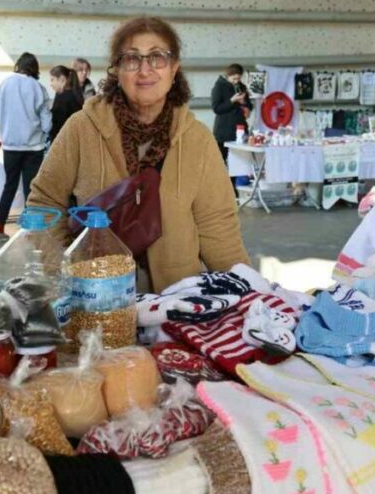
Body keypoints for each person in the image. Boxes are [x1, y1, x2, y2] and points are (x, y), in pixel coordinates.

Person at [27, 17, 250, 293]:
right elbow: (43, 202)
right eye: (132, 58)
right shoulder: (82, 128)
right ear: (117, 70)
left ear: (174, 68)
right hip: (96, 298)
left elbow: (218, 226)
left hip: (174, 301)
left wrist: (249, 292)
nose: (145, 70)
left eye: (158, 57)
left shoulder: (197, 140)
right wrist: (67, 268)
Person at [0, 52, 51, 243]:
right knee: (30, 190)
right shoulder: (37, 87)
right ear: (34, 68)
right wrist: (44, 132)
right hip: (33, 147)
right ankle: (30, 231)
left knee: (9, 187)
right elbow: (46, 122)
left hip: (10, 146)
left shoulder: (4, 84)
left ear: (18, 65)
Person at [210, 63, 252, 162]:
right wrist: (232, 100)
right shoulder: (219, 87)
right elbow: (216, 108)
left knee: (241, 161)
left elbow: (249, 105)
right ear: (228, 76)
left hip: (240, 129)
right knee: (221, 161)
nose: (236, 81)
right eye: (234, 79)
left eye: (238, 79)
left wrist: (244, 103)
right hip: (224, 131)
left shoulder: (242, 87)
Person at [49, 65, 83, 142]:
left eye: (52, 80)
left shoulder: (64, 98)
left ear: (62, 80)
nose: (51, 84)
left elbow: (57, 123)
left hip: (64, 141)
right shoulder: (73, 95)